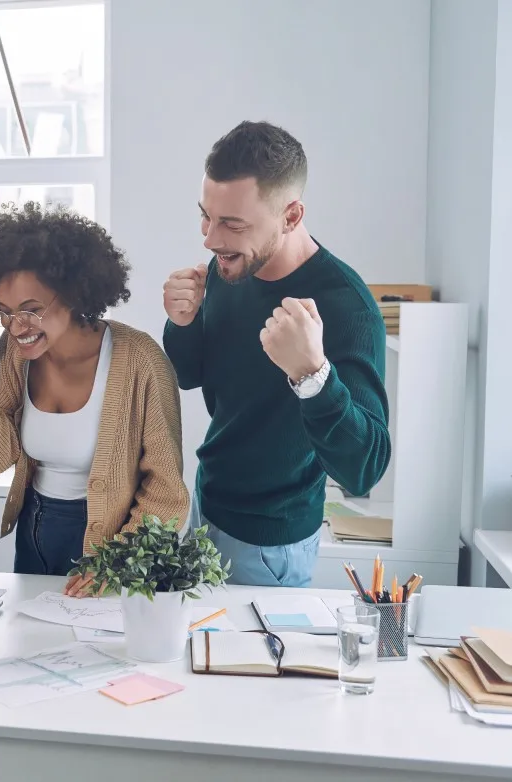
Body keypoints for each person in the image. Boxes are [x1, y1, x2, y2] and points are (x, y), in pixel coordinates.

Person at [162, 120, 391, 588]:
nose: (210, 238)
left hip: (270, 543)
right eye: (206, 215)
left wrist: (312, 375)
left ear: (290, 216)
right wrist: (182, 325)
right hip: (206, 507)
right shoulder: (230, 265)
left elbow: (365, 469)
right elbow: (191, 376)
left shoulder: (349, 308)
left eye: (231, 223)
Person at [0, 203, 189, 593]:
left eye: (31, 310)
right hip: (33, 532)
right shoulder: (14, 353)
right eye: (6, 311)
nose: (17, 327)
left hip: (109, 543)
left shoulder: (140, 360)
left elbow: (167, 493)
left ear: (73, 293)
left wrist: (115, 564)